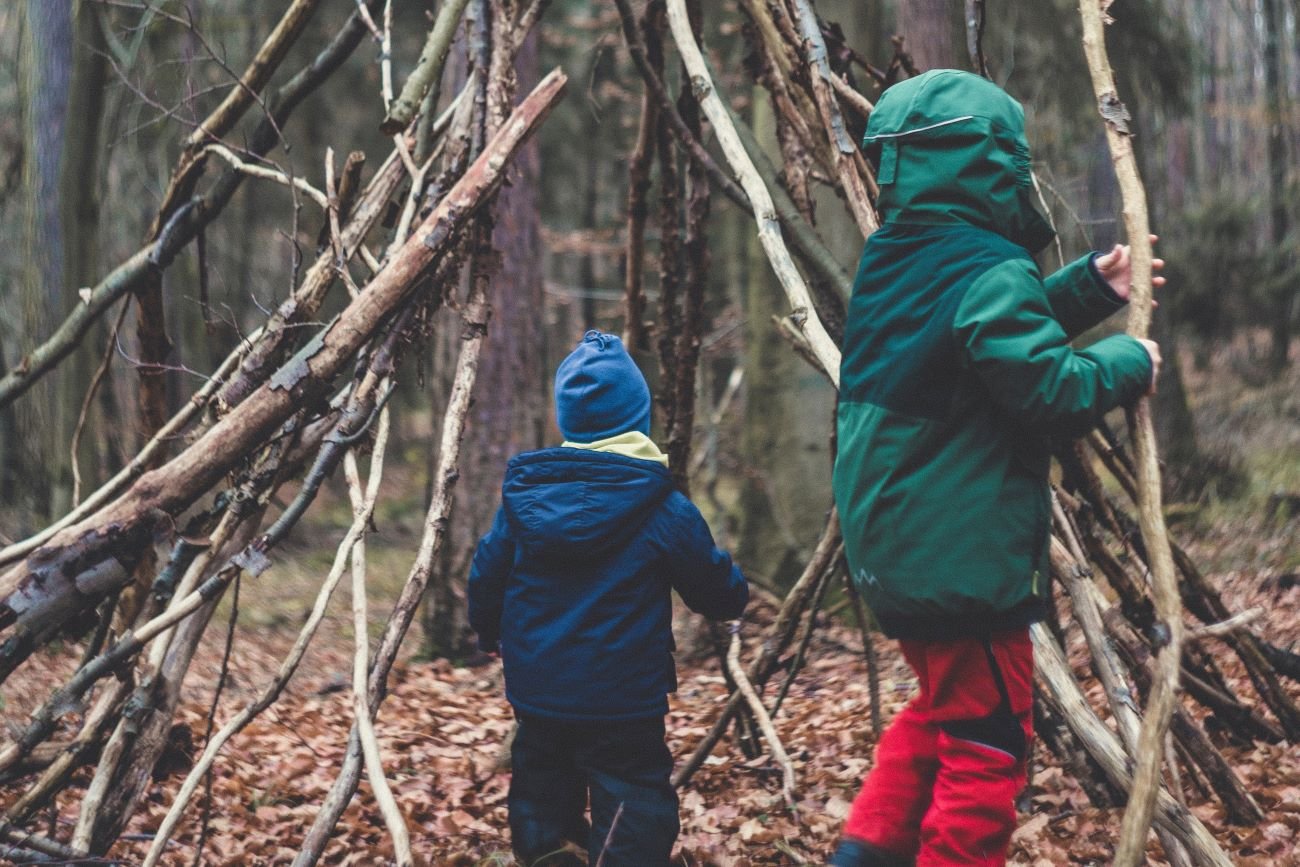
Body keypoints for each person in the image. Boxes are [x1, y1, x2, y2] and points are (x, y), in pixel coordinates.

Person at [829, 70, 1164, 866]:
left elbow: (978, 337)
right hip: (960, 558)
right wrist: (1125, 361)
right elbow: (1044, 387)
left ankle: (865, 856)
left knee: (943, 712)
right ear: (993, 164)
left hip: (897, 548)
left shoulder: (896, 258)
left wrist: (1089, 288)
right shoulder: (987, 264)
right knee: (988, 743)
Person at [468, 330, 748, 867]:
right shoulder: (661, 504)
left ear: (567, 421)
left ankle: (551, 854)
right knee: (634, 795)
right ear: (637, 418)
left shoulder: (526, 500)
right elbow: (709, 584)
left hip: (540, 688)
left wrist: (488, 631)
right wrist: (734, 597)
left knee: (542, 788)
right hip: (624, 696)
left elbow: (488, 571)